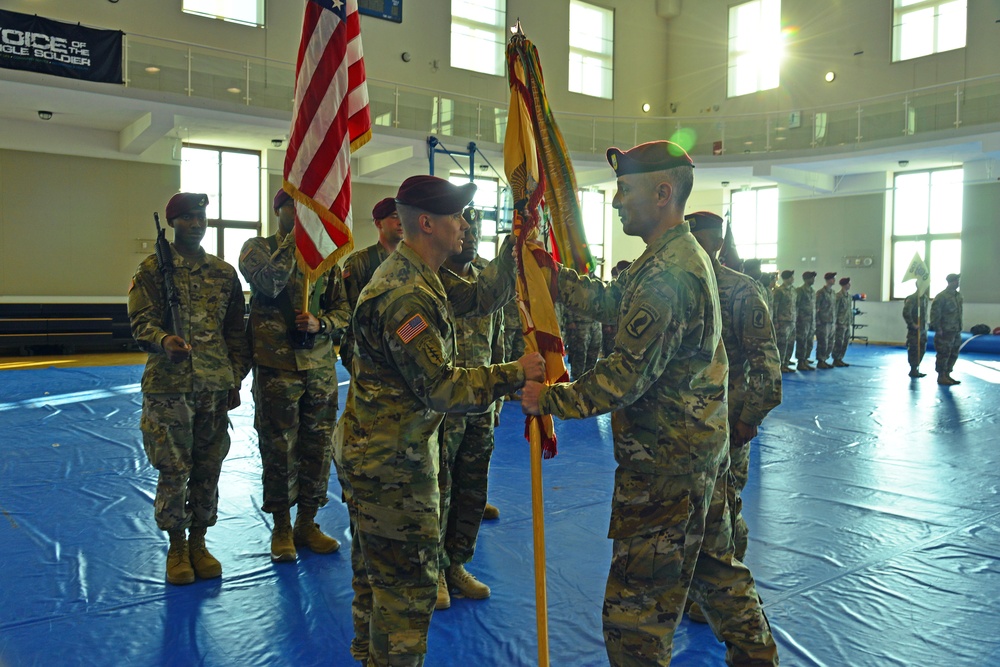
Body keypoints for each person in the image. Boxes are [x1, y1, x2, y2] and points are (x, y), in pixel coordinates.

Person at [522, 141, 778, 666]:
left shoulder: (668, 274)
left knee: (634, 619)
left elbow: (621, 381)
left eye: (624, 190)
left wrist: (545, 398)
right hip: (698, 457)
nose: (617, 201)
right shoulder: (667, 257)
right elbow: (612, 302)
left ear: (663, 193)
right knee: (718, 573)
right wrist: (554, 278)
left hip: (665, 470)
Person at [334, 175, 545, 666]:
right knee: (405, 596)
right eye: (456, 216)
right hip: (391, 465)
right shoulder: (404, 294)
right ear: (427, 223)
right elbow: (443, 388)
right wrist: (514, 373)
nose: (464, 225)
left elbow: (476, 298)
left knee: (376, 585)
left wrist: (518, 245)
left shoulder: (422, 273)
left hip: (385, 453)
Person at [128, 192, 251, 585]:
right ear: (173, 223)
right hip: (169, 386)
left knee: (208, 465)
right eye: (186, 218)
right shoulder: (152, 269)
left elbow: (236, 330)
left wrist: (235, 376)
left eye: (201, 217)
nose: (196, 224)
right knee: (173, 468)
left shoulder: (224, 272)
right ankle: (177, 546)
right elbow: (140, 322)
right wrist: (164, 340)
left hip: (214, 384)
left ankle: (200, 541)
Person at [239, 188, 351, 562]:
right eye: (297, 208)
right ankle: (283, 527)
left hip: (319, 369)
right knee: (279, 450)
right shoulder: (256, 248)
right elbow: (269, 282)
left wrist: (323, 323)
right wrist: (294, 242)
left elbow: (343, 310)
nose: (306, 215)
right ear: (280, 211)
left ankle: (307, 521)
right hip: (278, 368)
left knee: (317, 449)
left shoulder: (326, 260)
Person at [687, 212, 782, 617]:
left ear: (717, 244)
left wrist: (749, 418)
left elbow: (767, 365)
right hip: (687, 423)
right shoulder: (682, 286)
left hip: (728, 421)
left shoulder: (742, 292)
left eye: (702, 240)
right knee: (694, 506)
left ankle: (732, 593)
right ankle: (700, 587)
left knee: (724, 505)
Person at [435, 206, 505, 610]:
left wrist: (495, 400)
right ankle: (436, 573)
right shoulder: (432, 280)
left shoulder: (484, 280)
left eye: (475, 229)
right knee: (439, 490)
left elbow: (497, 341)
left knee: (472, 488)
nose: (470, 234)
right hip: (442, 406)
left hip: (480, 403)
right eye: (463, 227)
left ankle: (457, 565)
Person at [341, 197, 403, 374]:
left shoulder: (412, 262)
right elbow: (348, 312)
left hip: (400, 350)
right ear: (378, 223)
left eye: (402, 216)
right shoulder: (360, 262)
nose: (400, 222)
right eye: (393, 216)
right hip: (367, 353)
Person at [563, 273, 603, 379]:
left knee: (593, 352)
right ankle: (577, 379)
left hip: (595, 323)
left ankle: (590, 380)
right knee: (579, 354)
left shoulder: (597, 280)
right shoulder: (576, 281)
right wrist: (570, 320)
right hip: (580, 324)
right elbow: (568, 300)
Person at [930, 273, 963, 385]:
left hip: (955, 330)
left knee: (953, 353)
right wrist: (938, 329)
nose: (958, 282)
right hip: (945, 331)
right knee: (943, 353)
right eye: (957, 280)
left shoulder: (958, 296)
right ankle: (941, 375)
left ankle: (947, 374)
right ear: (952, 282)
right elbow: (935, 314)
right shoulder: (941, 297)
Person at [772, 269, 797, 372]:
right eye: (791, 277)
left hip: (792, 321)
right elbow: (775, 306)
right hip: (783, 321)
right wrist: (776, 321)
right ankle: (780, 364)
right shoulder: (779, 291)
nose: (793, 279)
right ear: (786, 279)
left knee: (790, 343)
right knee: (782, 344)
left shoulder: (793, 290)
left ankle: (786, 361)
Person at [903, 284, 930, 378]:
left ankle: (917, 367)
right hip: (915, 330)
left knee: (922, 348)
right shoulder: (913, 298)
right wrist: (912, 324)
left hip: (923, 329)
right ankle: (913, 369)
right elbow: (906, 312)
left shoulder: (925, 298)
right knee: (914, 349)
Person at [794, 270, 818, 371]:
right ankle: (800, 361)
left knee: (809, 341)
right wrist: (797, 320)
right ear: (806, 279)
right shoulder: (800, 290)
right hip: (802, 321)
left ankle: (805, 360)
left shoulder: (812, 291)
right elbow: (796, 305)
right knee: (802, 341)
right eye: (812, 278)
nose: (813, 280)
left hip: (811, 321)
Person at [814, 272, 837, 369]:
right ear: (828, 280)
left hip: (831, 321)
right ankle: (820, 360)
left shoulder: (833, 293)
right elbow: (816, 307)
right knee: (823, 342)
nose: (834, 280)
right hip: (823, 321)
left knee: (830, 342)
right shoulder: (821, 292)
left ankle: (825, 359)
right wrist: (818, 320)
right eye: (832, 278)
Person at [832, 276, 852, 367]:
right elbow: (835, 310)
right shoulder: (838, 296)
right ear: (844, 285)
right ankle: (836, 359)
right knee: (839, 341)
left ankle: (840, 358)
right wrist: (835, 322)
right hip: (840, 322)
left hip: (847, 322)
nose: (850, 285)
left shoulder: (849, 296)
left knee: (845, 341)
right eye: (848, 283)